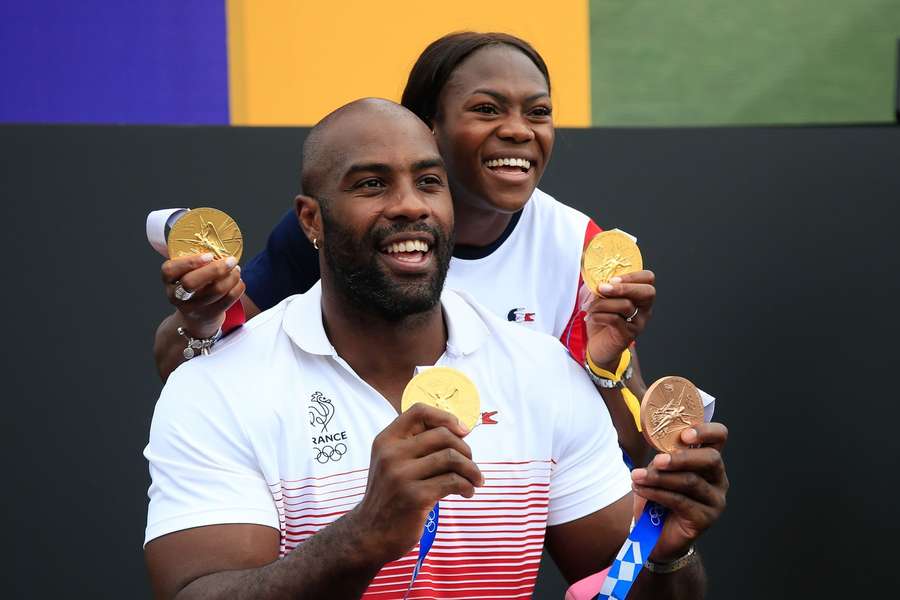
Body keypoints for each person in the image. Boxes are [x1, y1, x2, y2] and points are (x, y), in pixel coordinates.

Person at [144, 99, 729, 599]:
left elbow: (615, 585)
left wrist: (664, 554)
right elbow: (198, 589)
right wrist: (364, 535)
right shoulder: (216, 386)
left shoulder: (543, 371)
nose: (410, 205)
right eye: (372, 184)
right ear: (311, 220)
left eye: (429, 182)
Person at [153, 32, 660, 466]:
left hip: (498, 513)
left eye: (539, 111)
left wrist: (607, 371)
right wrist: (199, 321)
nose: (518, 129)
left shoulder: (578, 246)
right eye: (486, 109)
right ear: (425, 127)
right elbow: (187, 366)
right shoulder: (343, 226)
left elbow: (638, 443)